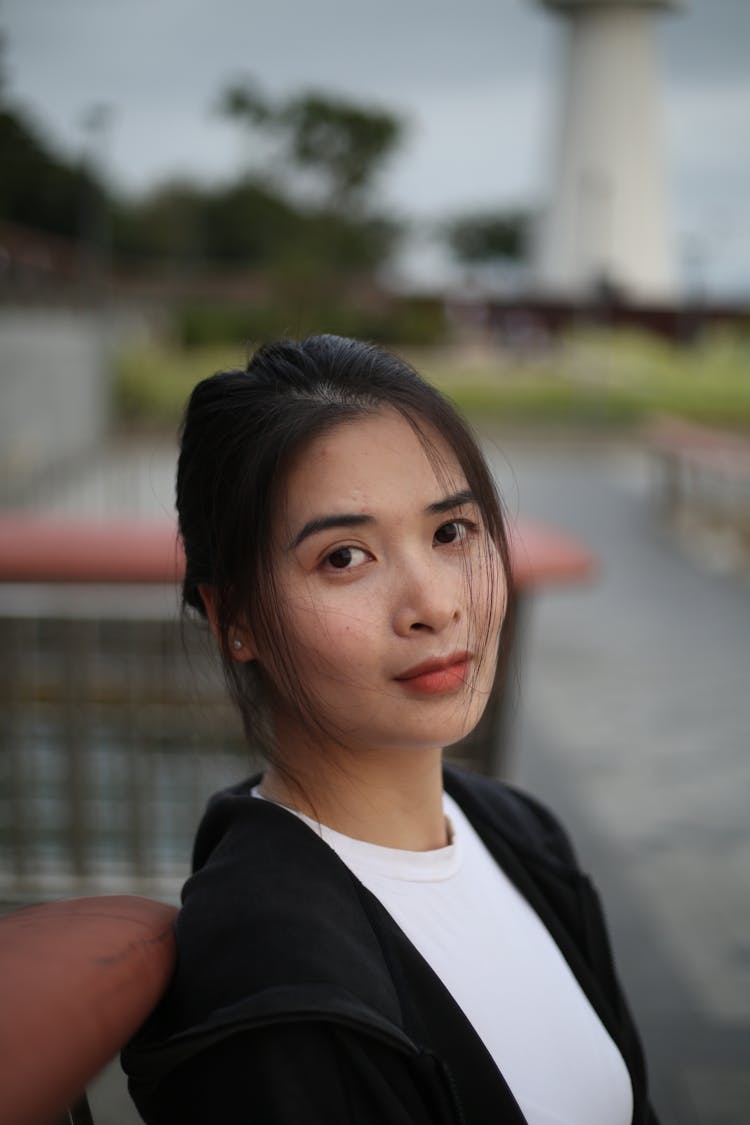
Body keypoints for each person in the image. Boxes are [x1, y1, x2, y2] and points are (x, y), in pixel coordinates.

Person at [123, 334, 658, 1124]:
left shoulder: (521, 834)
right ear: (234, 617)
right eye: (345, 556)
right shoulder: (275, 980)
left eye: (451, 533)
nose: (434, 603)